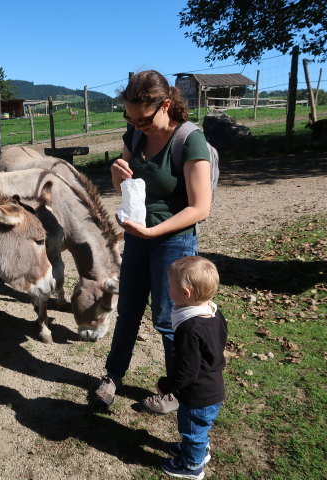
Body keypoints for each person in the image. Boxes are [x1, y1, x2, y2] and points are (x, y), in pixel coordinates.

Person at [92, 70, 212, 413]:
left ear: (166, 105)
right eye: (129, 119)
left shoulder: (190, 140)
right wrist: (117, 179)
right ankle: (113, 377)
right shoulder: (136, 134)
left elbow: (200, 207)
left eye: (142, 119)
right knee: (127, 310)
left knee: (169, 318)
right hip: (139, 237)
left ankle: (176, 388)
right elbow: (127, 190)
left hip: (173, 242)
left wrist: (154, 232)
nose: (136, 125)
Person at [157, 255, 226, 480]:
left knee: (193, 428)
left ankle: (191, 465)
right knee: (199, 428)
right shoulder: (214, 314)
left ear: (185, 294)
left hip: (198, 394)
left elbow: (187, 370)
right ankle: (197, 449)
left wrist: (167, 385)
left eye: (170, 287)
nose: (168, 290)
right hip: (213, 386)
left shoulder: (189, 328)